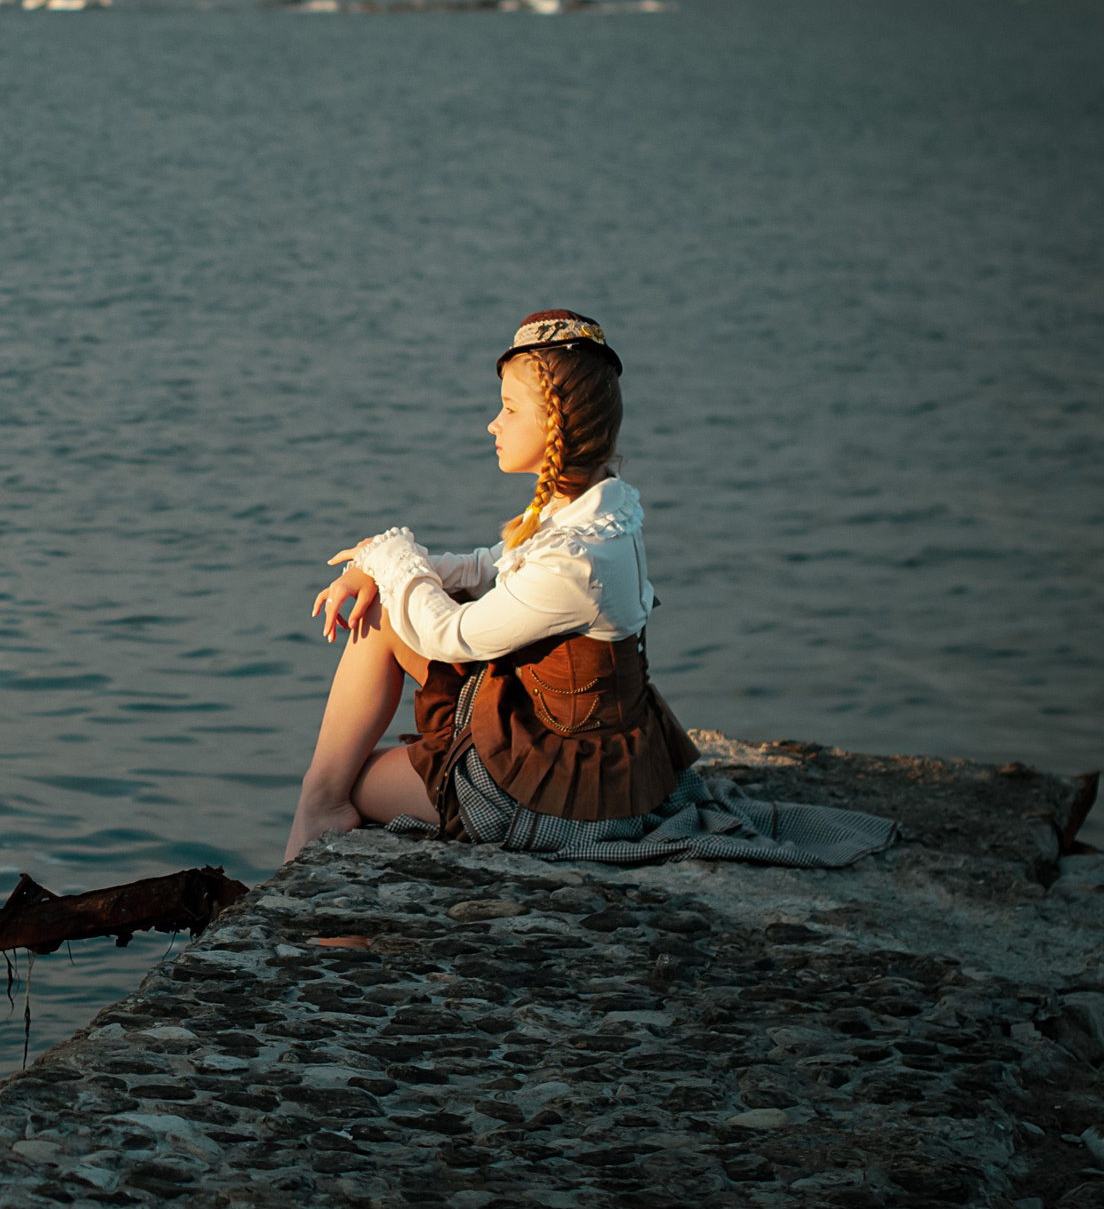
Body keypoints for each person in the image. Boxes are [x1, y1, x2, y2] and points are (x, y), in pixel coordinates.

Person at [280, 309, 894, 871]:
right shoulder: (599, 509)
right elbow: (490, 566)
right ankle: (319, 803)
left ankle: (317, 816)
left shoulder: (578, 561)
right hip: (566, 741)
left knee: (350, 780)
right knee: (384, 610)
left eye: (510, 408)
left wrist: (391, 555)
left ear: (556, 425)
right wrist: (382, 568)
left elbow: (453, 636)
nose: (493, 422)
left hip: (557, 789)